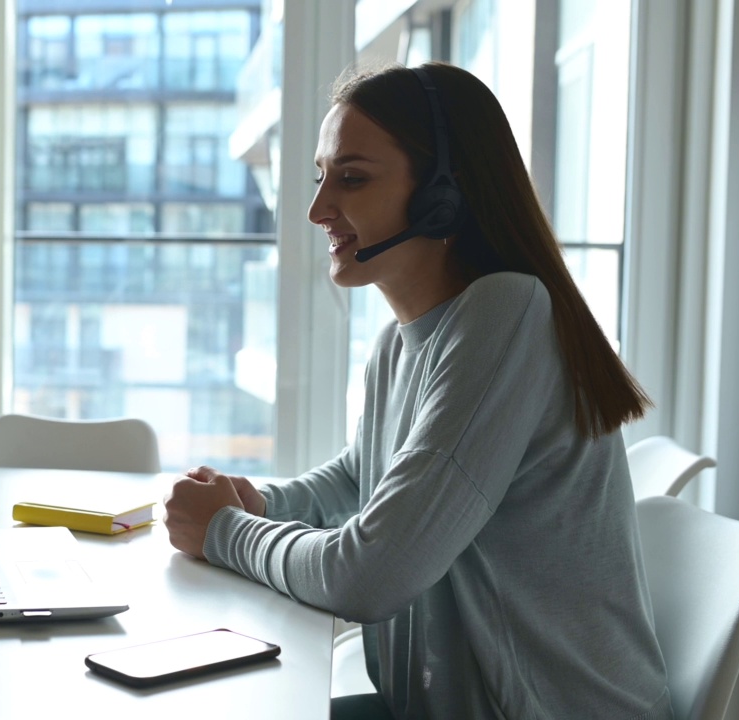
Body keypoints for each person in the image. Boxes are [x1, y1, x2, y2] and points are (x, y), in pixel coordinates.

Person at [162, 62, 672, 719]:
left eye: (352, 178)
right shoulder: (398, 345)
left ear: (443, 193)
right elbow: (361, 477)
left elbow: (372, 574)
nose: (318, 210)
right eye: (321, 177)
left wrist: (226, 531)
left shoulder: (507, 312)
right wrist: (257, 500)